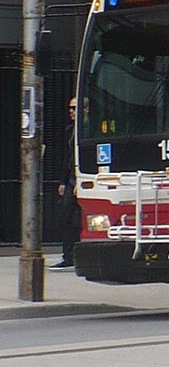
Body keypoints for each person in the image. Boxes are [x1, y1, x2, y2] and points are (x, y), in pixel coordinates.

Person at [51, 97, 83, 270]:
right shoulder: (70, 130)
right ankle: (68, 255)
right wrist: (63, 181)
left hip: (83, 178)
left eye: (74, 108)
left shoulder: (90, 129)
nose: (71, 112)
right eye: (70, 108)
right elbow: (67, 158)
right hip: (71, 178)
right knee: (65, 217)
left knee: (80, 219)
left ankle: (76, 254)